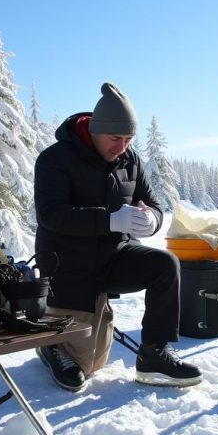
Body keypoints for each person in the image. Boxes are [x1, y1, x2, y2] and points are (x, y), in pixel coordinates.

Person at [33, 82, 202, 392]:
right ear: (94, 130)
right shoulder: (54, 159)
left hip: (114, 256)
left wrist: (151, 220)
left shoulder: (131, 160)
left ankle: (154, 354)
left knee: (165, 265)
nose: (121, 147)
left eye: (128, 139)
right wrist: (109, 220)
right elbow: (51, 215)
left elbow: (154, 204)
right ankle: (52, 347)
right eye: (114, 138)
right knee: (88, 365)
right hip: (66, 265)